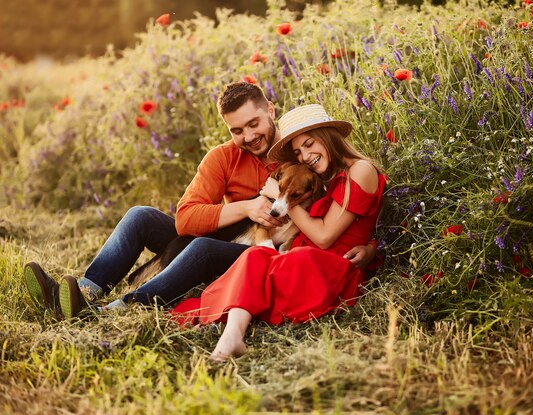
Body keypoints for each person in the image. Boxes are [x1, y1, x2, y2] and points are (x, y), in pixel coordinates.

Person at [23, 83, 377, 319]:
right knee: (140, 216)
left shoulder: (300, 155)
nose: (248, 136)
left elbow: (341, 207)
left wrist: (373, 245)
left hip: (251, 252)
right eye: (236, 130)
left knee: (203, 248)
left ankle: (112, 309)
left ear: (270, 110)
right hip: (225, 234)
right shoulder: (222, 158)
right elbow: (184, 220)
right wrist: (248, 206)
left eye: (254, 123)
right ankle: (84, 292)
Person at [170, 104, 387, 361]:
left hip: (330, 263)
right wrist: (373, 244)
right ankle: (232, 337)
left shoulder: (360, 169)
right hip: (308, 252)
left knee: (279, 259)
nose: (305, 156)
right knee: (253, 258)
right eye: (298, 152)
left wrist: (278, 198)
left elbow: (325, 236)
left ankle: (231, 330)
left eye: (309, 144)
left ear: (328, 135)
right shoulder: (326, 177)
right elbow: (371, 221)